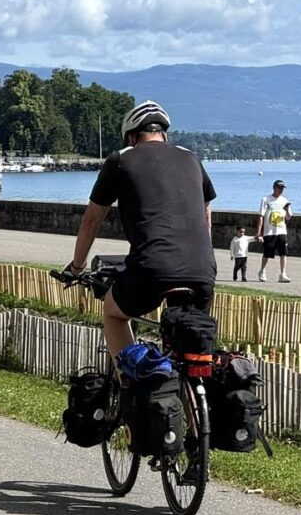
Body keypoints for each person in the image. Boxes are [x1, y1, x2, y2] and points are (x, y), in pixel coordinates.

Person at [66, 100, 217, 361]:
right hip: (202, 269)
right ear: (164, 134)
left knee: (113, 314)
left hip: (152, 268)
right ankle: (195, 395)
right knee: (191, 342)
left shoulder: (121, 160)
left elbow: (90, 222)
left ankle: (130, 383)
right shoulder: (191, 158)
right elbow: (206, 217)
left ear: (131, 137)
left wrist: (77, 267)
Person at [256, 179, 293, 283]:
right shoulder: (266, 199)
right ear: (274, 188)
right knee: (267, 254)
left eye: (282, 188)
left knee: (283, 253)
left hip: (281, 230)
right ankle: (262, 270)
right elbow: (261, 216)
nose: (281, 190)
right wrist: (259, 233)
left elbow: (289, 217)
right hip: (269, 231)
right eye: (279, 188)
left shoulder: (285, 201)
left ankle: (283, 274)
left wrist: (286, 210)